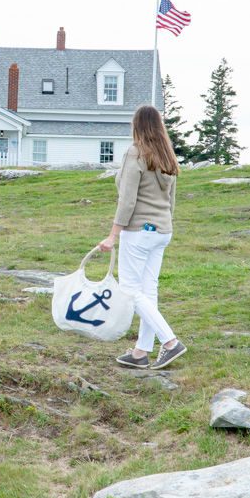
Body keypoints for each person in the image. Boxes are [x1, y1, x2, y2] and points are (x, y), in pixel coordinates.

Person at [96, 104, 185, 369]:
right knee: (148, 291)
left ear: (137, 125)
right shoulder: (167, 156)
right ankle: (141, 352)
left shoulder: (135, 153)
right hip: (161, 231)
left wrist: (113, 235)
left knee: (130, 290)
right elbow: (171, 200)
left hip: (139, 233)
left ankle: (170, 342)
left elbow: (127, 201)